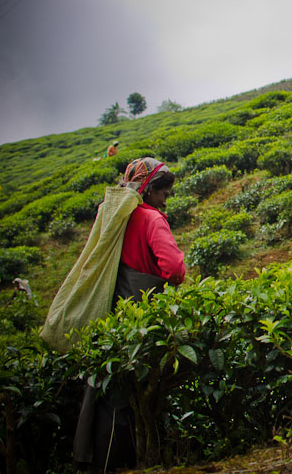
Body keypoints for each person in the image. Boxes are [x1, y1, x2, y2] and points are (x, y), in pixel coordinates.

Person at [73, 157, 185, 474]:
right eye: (162, 190)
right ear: (147, 190)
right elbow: (174, 270)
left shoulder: (118, 218)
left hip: (113, 318)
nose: (166, 197)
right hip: (143, 319)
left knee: (111, 395)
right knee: (140, 398)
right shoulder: (152, 219)